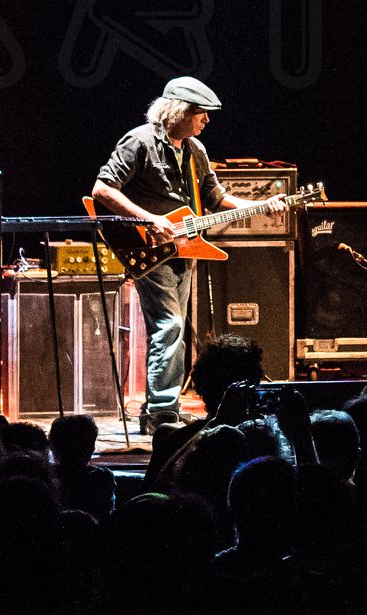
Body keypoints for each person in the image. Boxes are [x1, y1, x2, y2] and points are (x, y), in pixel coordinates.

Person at [92, 75, 286, 432]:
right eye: (201, 113)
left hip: (185, 248)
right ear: (179, 111)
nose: (206, 121)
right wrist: (149, 219)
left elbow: (217, 198)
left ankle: (159, 409)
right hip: (148, 248)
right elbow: (102, 189)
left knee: (173, 329)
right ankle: (164, 411)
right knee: (171, 325)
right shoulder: (139, 141)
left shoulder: (195, 150)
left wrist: (262, 205)